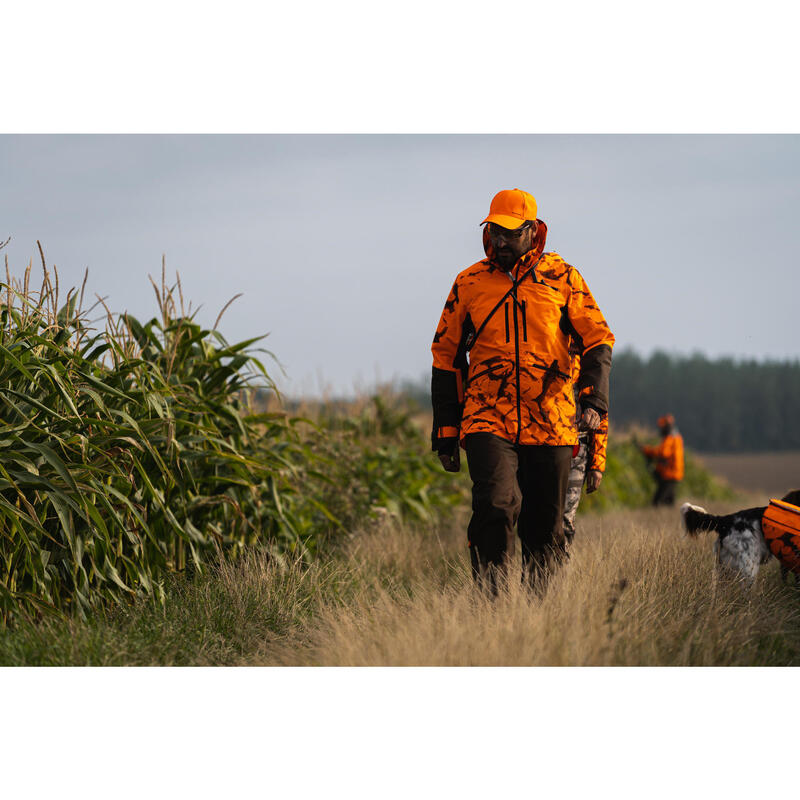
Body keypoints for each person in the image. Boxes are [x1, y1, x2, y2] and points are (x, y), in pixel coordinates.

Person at [431, 188, 615, 594]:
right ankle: (490, 604)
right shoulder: (469, 282)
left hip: (551, 420)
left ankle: (537, 613)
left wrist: (593, 400)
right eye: (494, 231)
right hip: (486, 416)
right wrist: (445, 429)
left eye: (510, 233)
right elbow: (445, 356)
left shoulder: (563, 277)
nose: (499, 241)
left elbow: (598, 339)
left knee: (545, 526)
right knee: (495, 506)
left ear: (533, 231)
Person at [562, 341, 609, 547]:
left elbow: (601, 417)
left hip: (577, 450)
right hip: (539, 446)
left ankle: (559, 573)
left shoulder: (589, 363)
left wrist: (597, 466)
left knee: (565, 518)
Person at [641, 414, 684, 506]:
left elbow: (663, 452)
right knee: (669, 501)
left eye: (662, 427)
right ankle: (669, 517)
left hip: (670, 474)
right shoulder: (676, 436)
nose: (661, 429)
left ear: (666, 427)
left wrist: (647, 450)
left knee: (657, 502)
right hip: (674, 473)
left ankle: (661, 517)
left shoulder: (670, 438)